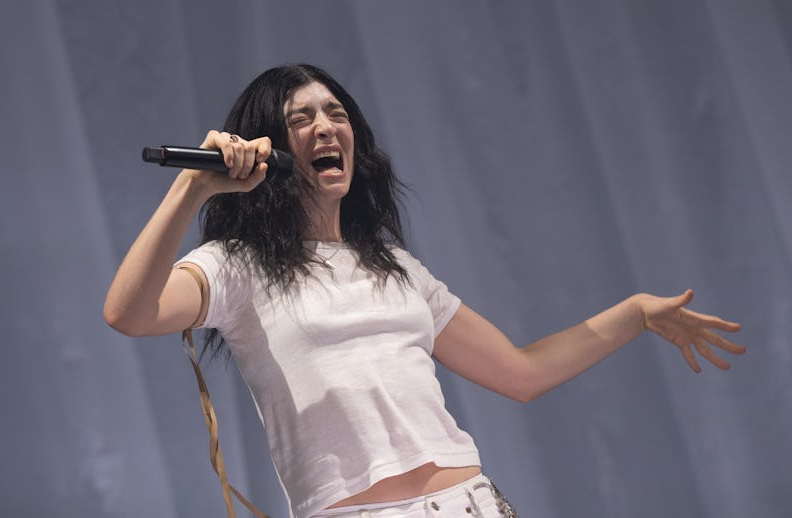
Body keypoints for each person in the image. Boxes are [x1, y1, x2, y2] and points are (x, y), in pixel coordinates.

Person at [103, 64, 745, 518]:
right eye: (302, 119)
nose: (326, 127)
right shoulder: (237, 267)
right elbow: (129, 313)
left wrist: (633, 314)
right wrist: (193, 187)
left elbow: (522, 373)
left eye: (336, 113)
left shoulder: (397, 270)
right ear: (268, 150)